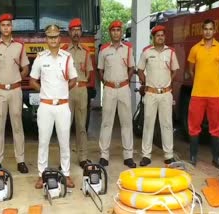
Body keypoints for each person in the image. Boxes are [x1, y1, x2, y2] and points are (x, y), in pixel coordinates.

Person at [30, 24, 77, 189]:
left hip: (63, 106)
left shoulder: (67, 57)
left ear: (60, 38)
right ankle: (41, 175)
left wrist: (63, 90)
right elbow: (32, 80)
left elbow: (73, 79)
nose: (53, 40)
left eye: (56, 36)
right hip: (46, 106)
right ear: (46, 39)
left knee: (64, 142)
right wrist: (43, 90)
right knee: (43, 142)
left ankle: (66, 174)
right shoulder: (40, 58)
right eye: (50, 37)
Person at [0, 13, 29, 173]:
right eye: (3, 25)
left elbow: (26, 67)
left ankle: (21, 160)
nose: (6, 28)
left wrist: (19, 76)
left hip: (16, 90)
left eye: (8, 25)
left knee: (18, 125)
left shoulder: (19, 46)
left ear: (12, 27)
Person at [187, 19, 219, 169]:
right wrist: (200, 80)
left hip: (215, 94)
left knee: (216, 127)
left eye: (211, 29)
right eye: (205, 29)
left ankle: (216, 158)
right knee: (194, 126)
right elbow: (191, 70)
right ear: (202, 31)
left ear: (214, 31)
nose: (208, 31)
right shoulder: (195, 49)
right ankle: (192, 157)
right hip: (197, 93)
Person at [137, 25, 179, 166]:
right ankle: (146, 155)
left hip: (166, 94)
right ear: (153, 38)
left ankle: (168, 155)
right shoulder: (146, 52)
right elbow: (140, 70)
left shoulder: (171, 52)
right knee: (148, 124)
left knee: (167, 124)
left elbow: (174, 70)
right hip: (151, 93)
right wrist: (145, 82)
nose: (160, 37)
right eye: (157, 35)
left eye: (162, 35)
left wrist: (168, 82)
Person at [97, 20, 136, 168]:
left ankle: (128, 156)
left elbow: (132, 67)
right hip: (109, 89)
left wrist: (125, 80)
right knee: (107, 122)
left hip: (124, 88)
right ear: (110, 32)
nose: (116, 33)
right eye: (113, 30)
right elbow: (100, 70)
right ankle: (104, 155)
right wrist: (106, 83)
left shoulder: (127, 49)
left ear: (121, 32)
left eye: (118, 30)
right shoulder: (104, 50)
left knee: (126, 122)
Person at [61, 18, 93, 169]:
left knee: (81, 126)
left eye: (78, 30)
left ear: (81, 32)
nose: (75, 33)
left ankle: (83, 157)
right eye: (73, 30)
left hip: (81, 91)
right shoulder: (63, 51)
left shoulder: (86, 51)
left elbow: (90, 73)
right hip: (67, 90)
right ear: (69, 32)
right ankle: (64, 160)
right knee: (65, 126)